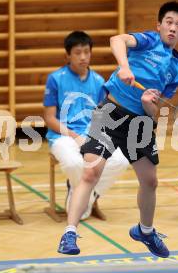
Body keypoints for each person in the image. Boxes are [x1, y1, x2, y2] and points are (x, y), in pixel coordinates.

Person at [58, 1, 178, 257]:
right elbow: (117, 39)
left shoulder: (177, 69)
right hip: (111, 112)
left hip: (140, 122)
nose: (173, 28)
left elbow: (154, 110)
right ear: (159, 25)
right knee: (90, 173)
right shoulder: (148, 41)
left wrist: (147, 104)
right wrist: (125, 66)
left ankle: (146, 231)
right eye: (169, 22)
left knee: (150, 181)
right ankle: (70, 233)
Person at [43, 31, 129, 221]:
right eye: (77, 53)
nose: (83, 57)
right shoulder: (55, 78)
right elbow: (49, 118)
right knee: (75, 163)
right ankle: (87, 197)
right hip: (63, 136)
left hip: (92, 134)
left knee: (121, 160)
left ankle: (85, 196)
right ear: (67, 55)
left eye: (86, 52)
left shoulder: (98, 81)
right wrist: (75, 136)